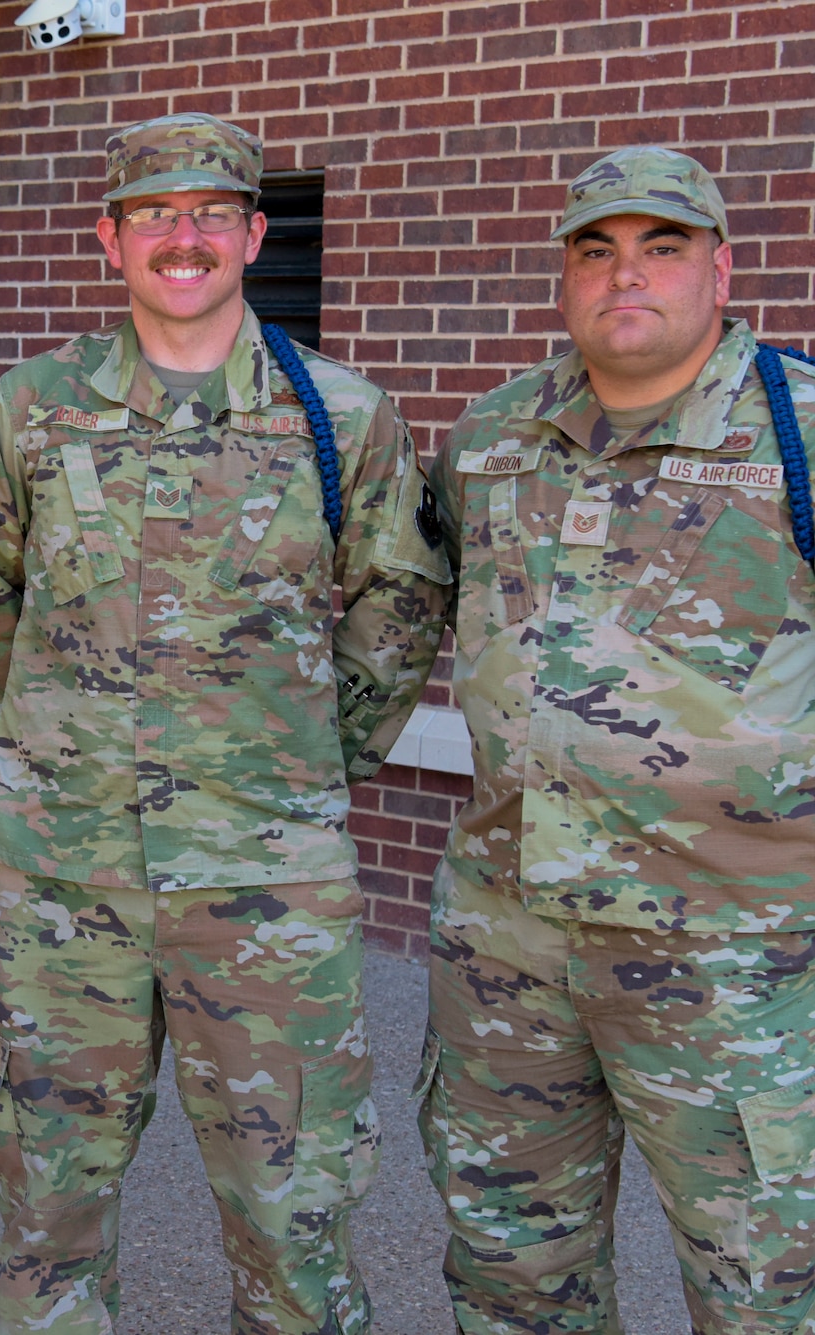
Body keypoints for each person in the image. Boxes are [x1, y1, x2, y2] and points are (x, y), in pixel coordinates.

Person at [0, 112, 452, 1334]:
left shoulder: (340, 416)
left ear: (254, 234)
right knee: (45, 1204)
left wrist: (309, 762)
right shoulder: (30, 410)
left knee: (293, 1210)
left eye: (211, 211)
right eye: (152, 213)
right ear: (107, 238)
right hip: (66, 877)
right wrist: (67, 739)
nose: (183, 236)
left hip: (264, 885)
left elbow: (399, 605)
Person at [419, 146, 815, 1334]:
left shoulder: (795, 430)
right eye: (593, 249)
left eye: (661, 246)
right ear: (562, 276)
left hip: (734, 962)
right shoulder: (493, 437)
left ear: (720, 266)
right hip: (508, 947)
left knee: (760, 1289)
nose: (622, 275)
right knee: (508, 1277)